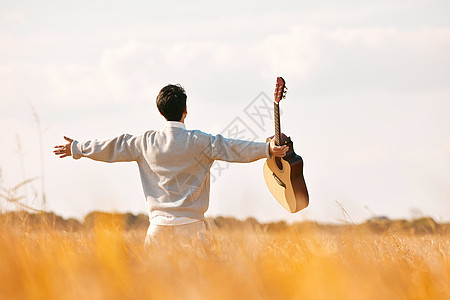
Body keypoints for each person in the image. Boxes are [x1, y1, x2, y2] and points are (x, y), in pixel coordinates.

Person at [54, 84, 288, 248]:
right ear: (185, 110)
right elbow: (234, 148)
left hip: (158, 230)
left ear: (160, 112)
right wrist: (266, 149)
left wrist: (77, 148)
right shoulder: (201, 142)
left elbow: (112, 147)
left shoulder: (144, 142)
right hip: (193, 229)